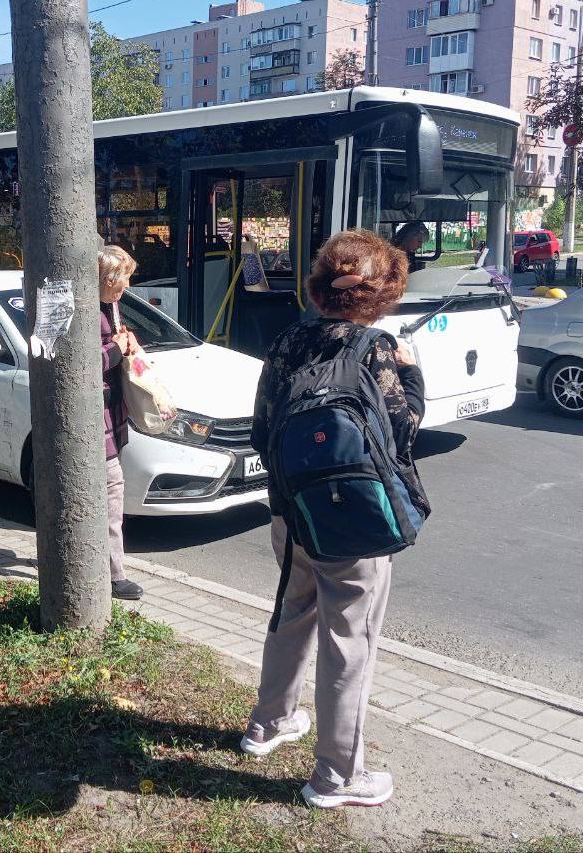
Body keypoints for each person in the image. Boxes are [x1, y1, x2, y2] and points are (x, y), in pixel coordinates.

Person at [240, 229, 427, 810]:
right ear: (383, 292)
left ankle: (268, 725)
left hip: (290, 510)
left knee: (292, 611)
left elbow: (262, 425)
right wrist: (412, 372)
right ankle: (337, 776)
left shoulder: (291, 340)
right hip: (352, 521)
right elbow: (403, 431)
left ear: (322, 286)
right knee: (350, 637)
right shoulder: (377, 348)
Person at [98, 245, 145, 602]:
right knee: (113, 490)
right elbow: (82, 363)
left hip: (113, 414)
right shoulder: (87, 309)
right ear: (107, 279)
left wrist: (124, 343)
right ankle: (115, 574)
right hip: (97, 419)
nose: (127, 286)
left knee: (110, 491)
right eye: (124, 279)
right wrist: (115, 348)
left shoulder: (108, 304)